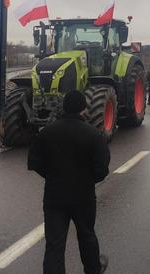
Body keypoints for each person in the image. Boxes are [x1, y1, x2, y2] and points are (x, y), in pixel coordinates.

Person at [28, 90, 110, 274]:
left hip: (54, 196)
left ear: (64, 107)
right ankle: (93, 269)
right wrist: (87, 180)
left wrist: (52, 176)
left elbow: (34, 162)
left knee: (54, 243)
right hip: (83, 196)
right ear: (83, 108)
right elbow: (102, 169)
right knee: (87, 235)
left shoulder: (47, 132)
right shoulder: (94, 135)